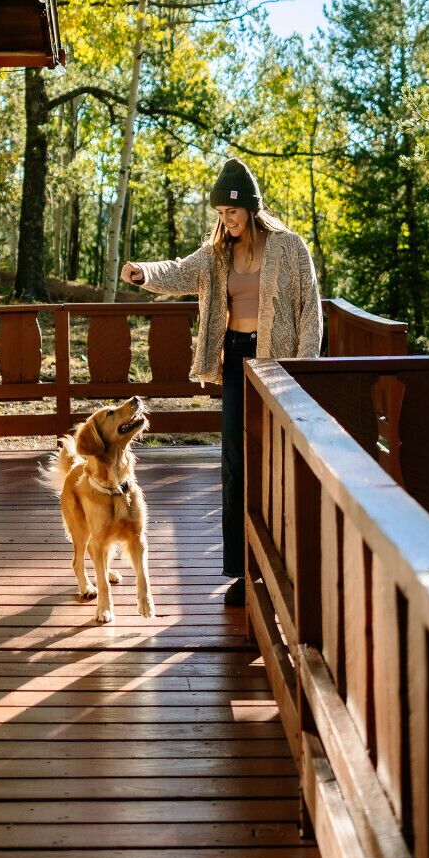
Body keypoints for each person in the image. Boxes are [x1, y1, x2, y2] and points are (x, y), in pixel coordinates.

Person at [121, 158, 322, 606]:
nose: (226, 221)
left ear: (251, 209)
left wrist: (304, 369)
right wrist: (145, 273)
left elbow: (312, 311)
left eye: (232, 213)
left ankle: (282, 561)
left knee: (275, 459)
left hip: (277, 363)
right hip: (235, 360)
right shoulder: (217, 252)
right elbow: (180, 271)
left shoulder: (289, 248)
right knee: (234, 461)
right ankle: (240, 569)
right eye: (220, 214)